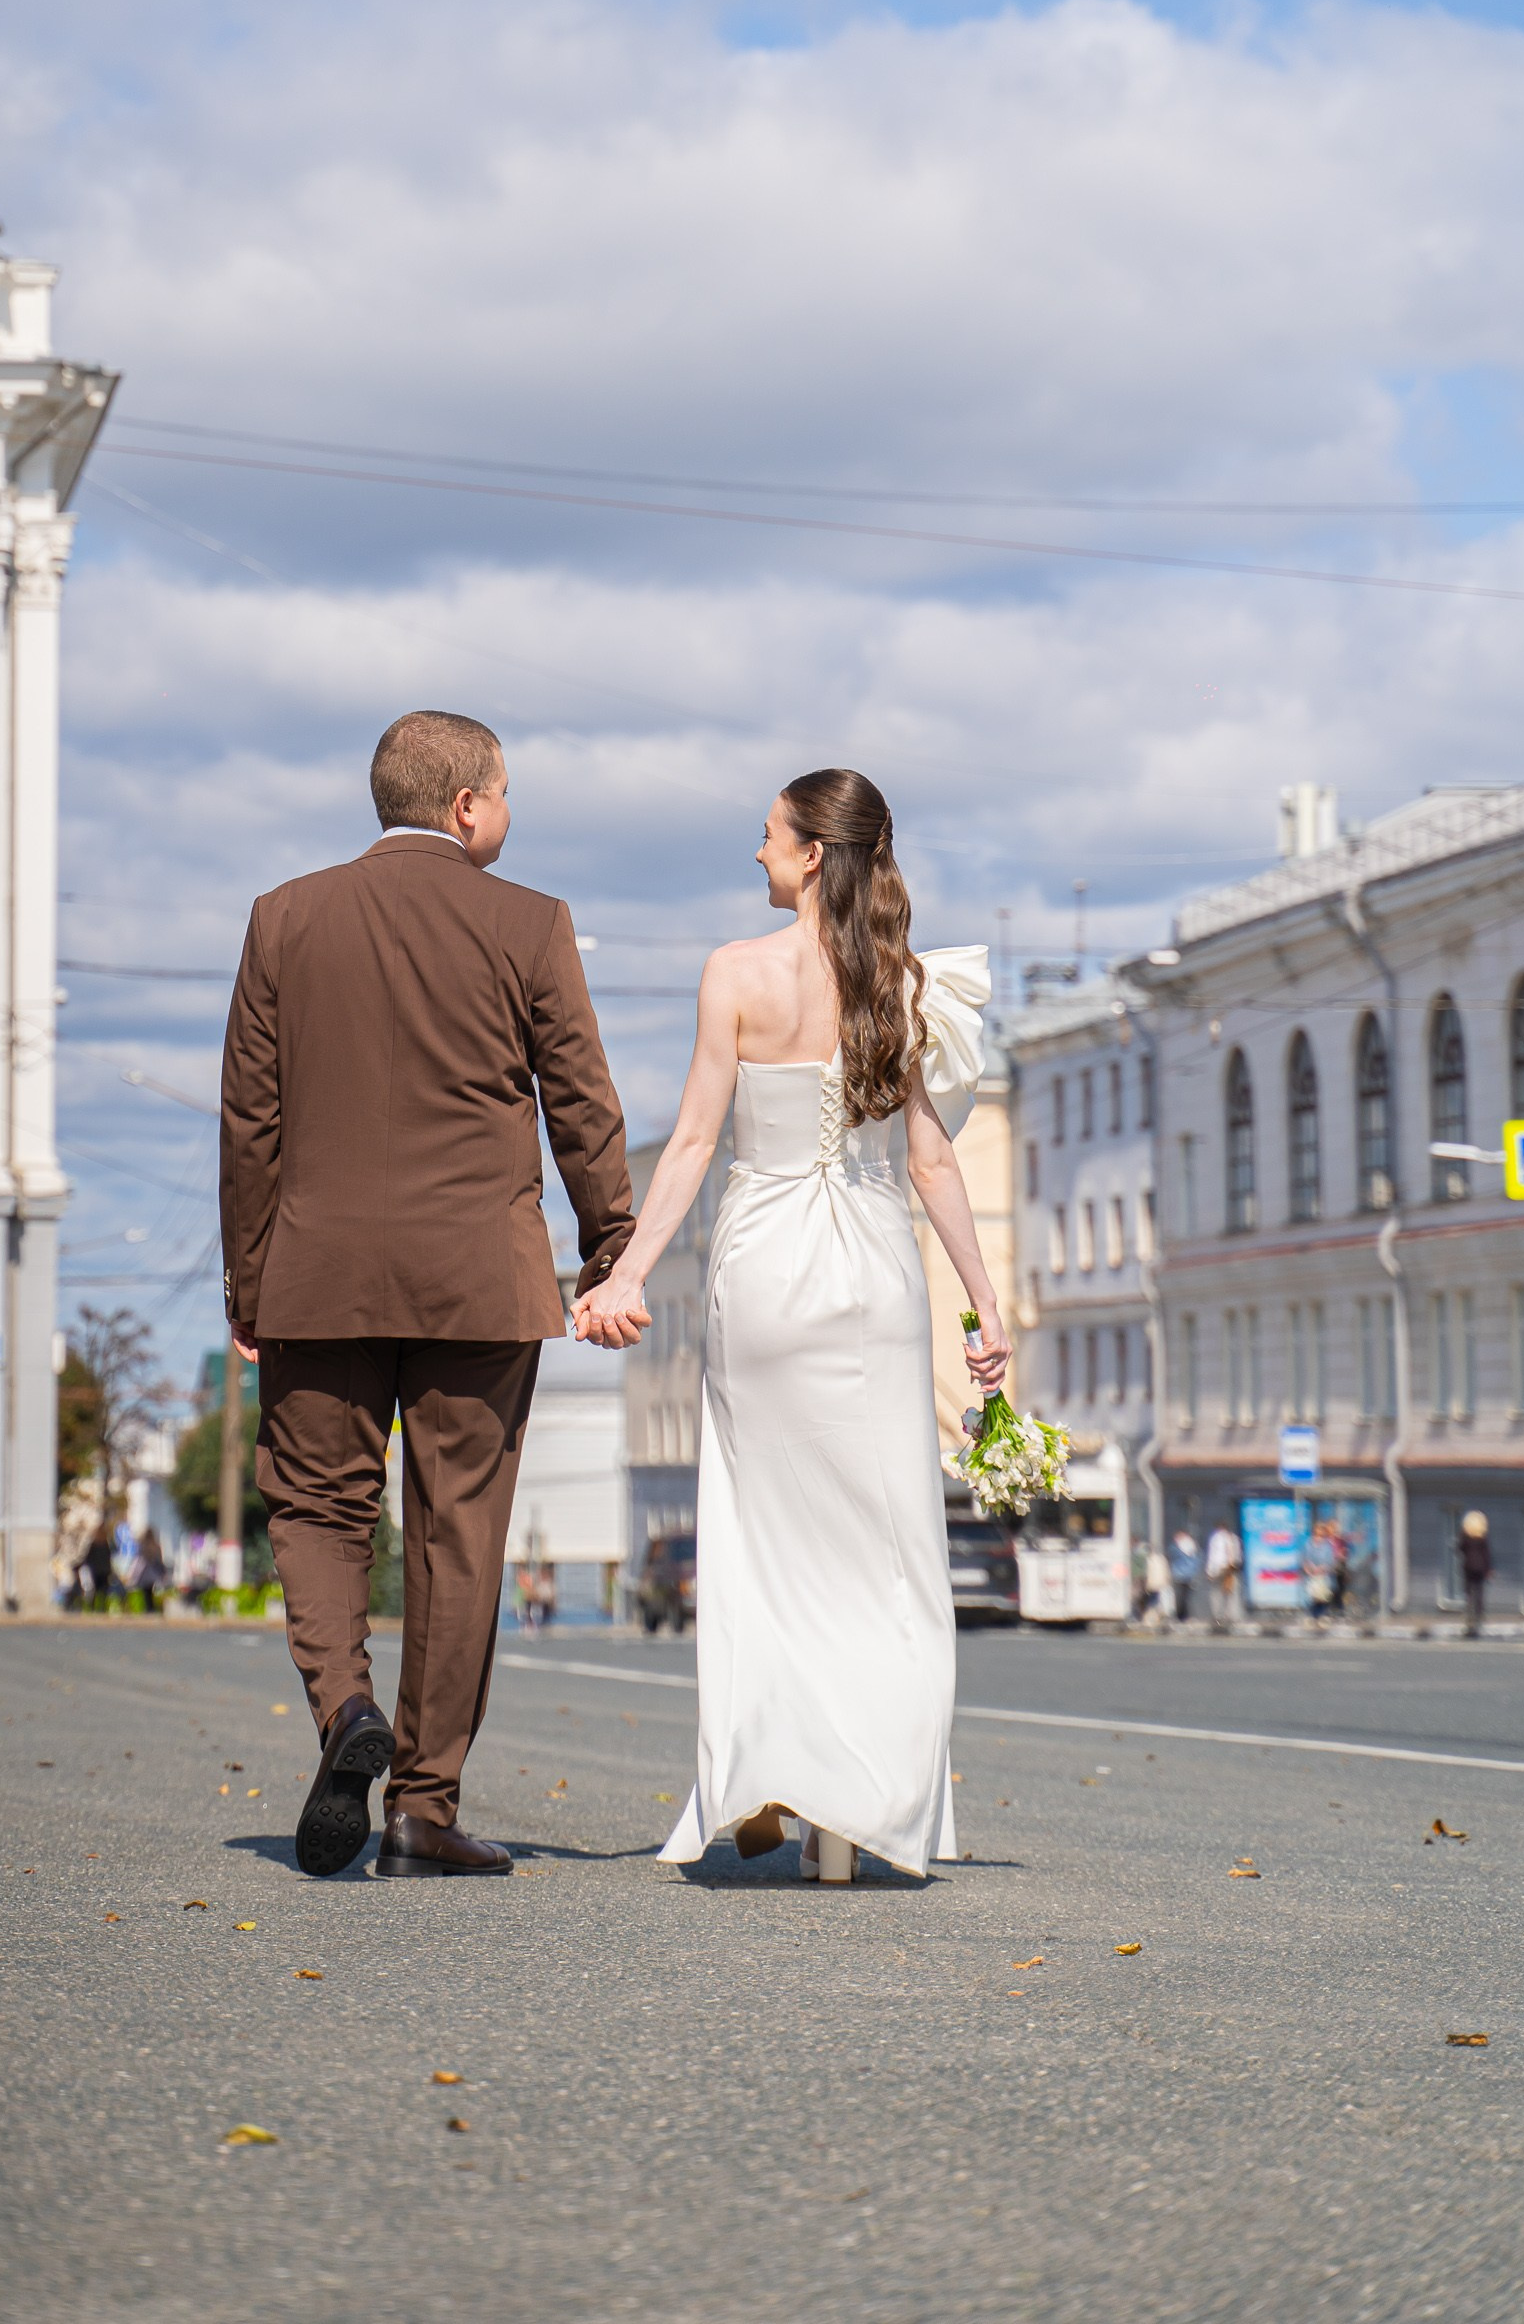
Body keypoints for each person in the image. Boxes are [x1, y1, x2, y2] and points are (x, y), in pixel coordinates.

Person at [220, 710, 636, 1880]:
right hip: (479, 1281)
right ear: (465, 807)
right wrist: (609, 1240)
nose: (508, 813)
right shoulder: (530, 922)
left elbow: (251, 1120)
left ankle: (343, 1709)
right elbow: (581, 1102)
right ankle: (420, 1804)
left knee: (315, 1509)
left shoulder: (282, 918)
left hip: (317, 1271)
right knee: (460, 1535)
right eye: (503, 794)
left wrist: (249, 1282)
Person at [574, 768, 1007, 1886]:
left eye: (768, 837)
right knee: (884, 1549)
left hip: (763, 1274)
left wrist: (624, 1277)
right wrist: (984, 1308)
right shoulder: (902, 985)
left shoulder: (733, 974)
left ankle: (770, 1770)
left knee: (766, 1547)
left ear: (812, 852)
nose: (755, 853)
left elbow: (688, 1149)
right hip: (872, 1277)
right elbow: (929, 1163)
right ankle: (857, 1813)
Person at [1458, 1511, 1492, 1638]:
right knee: (1479, 1593)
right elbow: (1486, 1554)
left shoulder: (1465, 1536)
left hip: (1468, 1567)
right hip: (1481, 1567)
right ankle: (1478, 1617)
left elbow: (1460, 1548)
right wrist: (1488, 1569)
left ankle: (1469, 1618)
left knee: (1469, 1593)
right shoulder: (1482, 1537)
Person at [1206, 1520, 1242, 1627]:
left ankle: (1218, 1615)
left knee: (1216, 1593)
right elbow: (1238, 1555)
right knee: (1232, 1592)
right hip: (1231, 1569)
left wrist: (1209, 1571)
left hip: (1219, 1569)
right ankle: (1233, 1616)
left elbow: (1213, 1555)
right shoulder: (1233, 1538)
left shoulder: (1216, 1538)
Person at [1170, 1526, 1201, 1624]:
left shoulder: (1177, 1547)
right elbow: (1197, 1561)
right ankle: (1184, 1615)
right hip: (1188, 1575)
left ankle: (1181, 1616)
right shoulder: (1192, 1547)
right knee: (1185, 1597)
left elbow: (1173, 1555)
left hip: (1180, 1574)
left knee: (1181, 1597)